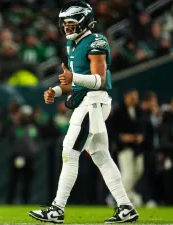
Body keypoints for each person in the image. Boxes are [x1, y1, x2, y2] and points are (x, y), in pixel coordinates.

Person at [29, 1, 138, 223]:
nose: (67, 28)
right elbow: (77, 84)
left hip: (94, 102)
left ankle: (57, 209)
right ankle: (126, 207)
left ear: (85, 21)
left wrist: (73, 78)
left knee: (69, 152)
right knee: (101, 156)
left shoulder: (96, 41)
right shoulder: (74, 45)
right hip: (88, 102)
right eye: (65, 24)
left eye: (71, 23)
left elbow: (98, 80)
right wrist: (57, 90)